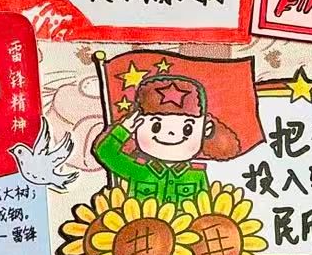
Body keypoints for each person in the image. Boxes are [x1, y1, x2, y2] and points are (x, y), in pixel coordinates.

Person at [93, 74, 244, 205]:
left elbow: (203, 209)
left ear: (206, 129)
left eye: (187, 129)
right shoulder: (138, 170)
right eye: (156, 126)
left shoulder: (196, 175)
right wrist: (123, 129)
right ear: (137, 126)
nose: (171, 133)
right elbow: (105, 152)